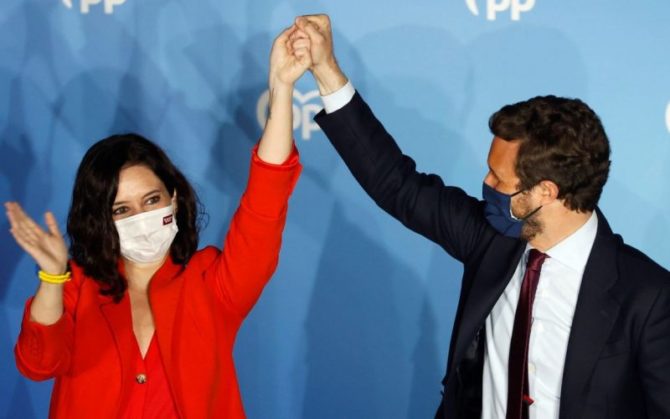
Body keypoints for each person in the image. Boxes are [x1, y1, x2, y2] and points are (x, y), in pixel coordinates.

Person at [292, 14, 670, 419]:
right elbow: (396, 184)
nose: (486, 183)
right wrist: (326, 70)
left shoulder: (647, 297)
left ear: (547, 191)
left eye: (499, 178)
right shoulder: (491, 238)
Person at [6, 25, 309, 419]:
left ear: (174, 199)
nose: (141, 217)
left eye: (151, 200)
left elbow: (265, 202)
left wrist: (282, 90)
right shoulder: (77, 285)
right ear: (101, 220)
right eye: (122, 210)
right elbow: (38, 364)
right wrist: (52, 277)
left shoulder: (211, 282)